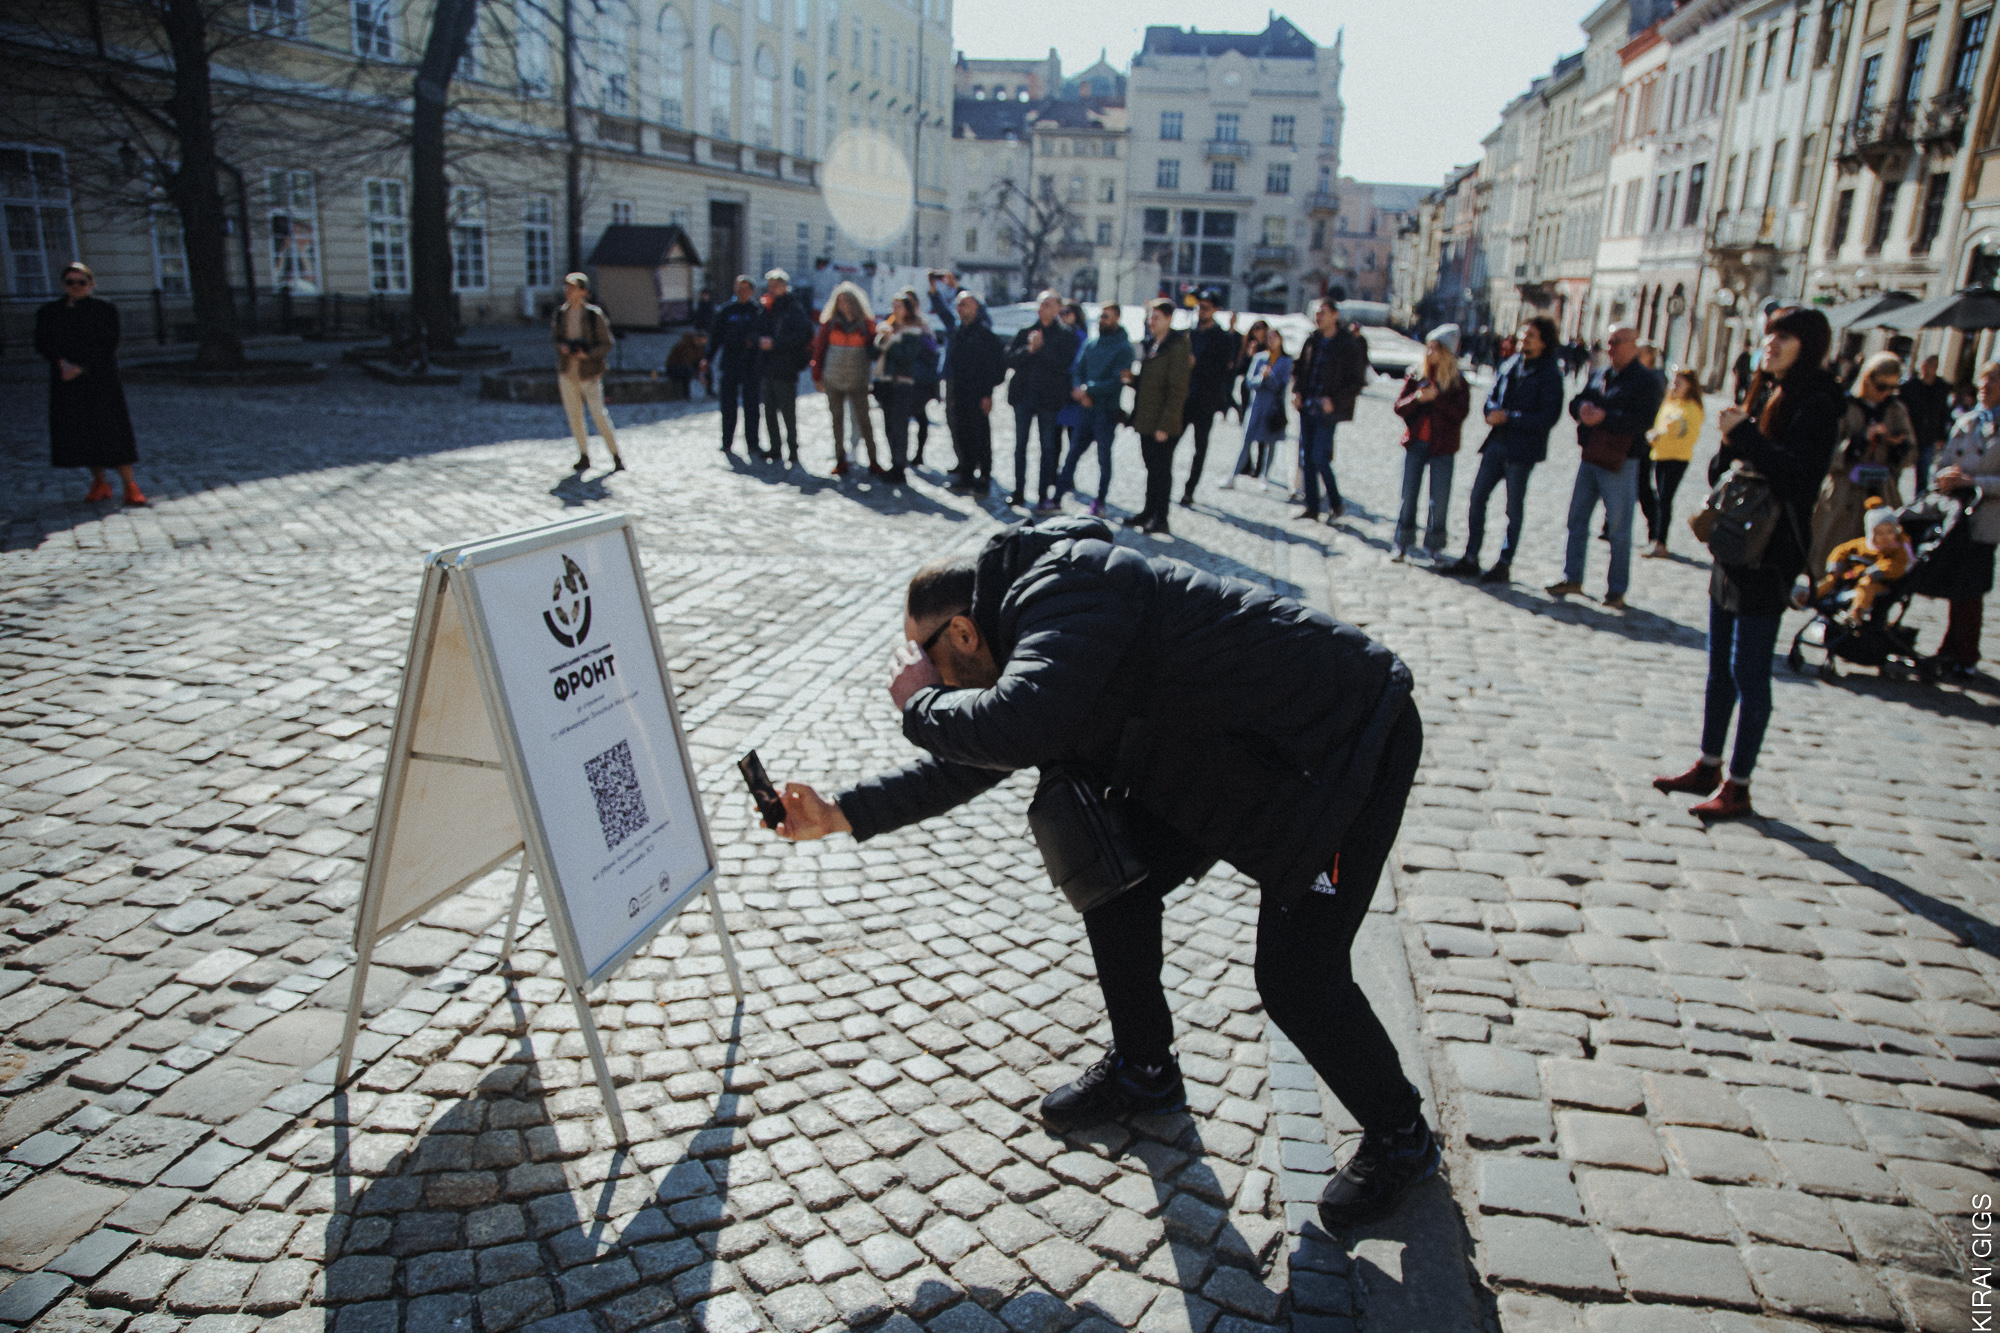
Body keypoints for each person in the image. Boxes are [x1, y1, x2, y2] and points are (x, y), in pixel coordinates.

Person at [766, 515, 1437, 1232]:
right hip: (1227, 757)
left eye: (924, 654)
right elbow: (981, 757)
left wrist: (920, 705)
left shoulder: (1067, 590)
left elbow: (1013, 723)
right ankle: (1144, 1068)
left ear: (962, 632)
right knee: (1111, 871)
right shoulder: (1036, 633)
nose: (921, 670)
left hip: (1340, 744)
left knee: (1297, 978)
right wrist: (841, 812)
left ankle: (1401, 1136)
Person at [1655, 306, 1842, 820]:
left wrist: (1748, 436)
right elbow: (1726, 465)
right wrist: (1731, 440)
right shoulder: (1762, 388)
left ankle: (1739, 784)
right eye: (1769, 335)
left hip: (1772, 552)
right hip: (1735, 543)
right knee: (1718, 666)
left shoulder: (1819, 403)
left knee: (1749, 671)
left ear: (1808, 344)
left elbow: (1798, 480)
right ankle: (1709, 764)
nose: (1771, 344)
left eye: (1783, 336)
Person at [1546, 324, 1664, 610]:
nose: (1610, 349)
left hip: (1621, 460)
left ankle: (1616, 589)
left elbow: (1644, 420)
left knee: (1619, 528)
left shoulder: (1646, 381)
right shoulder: (1600, 374)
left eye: (1616, 343)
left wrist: (1605, 417)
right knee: (1577, 518)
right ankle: (1572, 576)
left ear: (1633, 345)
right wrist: (1582, 411)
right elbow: (1577, 401)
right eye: (1607, 343)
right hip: (1591, 454)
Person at [1443, 316, 1564, 584]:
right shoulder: (1510, 364)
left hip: (1522, 450)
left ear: (1544, 342)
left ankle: (1504, 562)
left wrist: (1509, 416)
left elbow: (1548, 417)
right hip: (1497, 443)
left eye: (1530, 335)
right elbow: (1492, 397)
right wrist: (1490, 412)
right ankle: (1471, 556)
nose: (1524, 339)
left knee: (1513, 509)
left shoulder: (1550, 374)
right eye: (1523, 334)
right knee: (1477, 498)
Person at [36, 262, 145, 506]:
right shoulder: (50, 312)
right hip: (67, 380)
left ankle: (129, 484)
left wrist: (82, 367)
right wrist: (62, 362)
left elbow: (107, 343)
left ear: (91, 284)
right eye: (70, 282)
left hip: (100, 379)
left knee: (113, 431)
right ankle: (99, 482)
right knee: (82, 432)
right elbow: (43, 342)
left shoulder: (103, 309)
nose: (76, 286)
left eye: (81, 282)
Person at [1807, 351, 1913, 577]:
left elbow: (1911, 451)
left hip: (1881, 492)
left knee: (1881, 555)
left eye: (1892, 388)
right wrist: (1861, 439)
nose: (1886, 394)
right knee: (1833, 553)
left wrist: (1897, 445)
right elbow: (1825, 451)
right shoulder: (1845, 406)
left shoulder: (1896, 410)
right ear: (1868, 379)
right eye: (1881, 386)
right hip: (1844, 492)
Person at [1926, 359, 2000, 676]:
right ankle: (1950, 647)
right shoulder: (1966, 420)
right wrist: (1945, 475)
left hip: (1984, 518)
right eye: (1984, 379)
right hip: (1954, 515)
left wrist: (1973, 483)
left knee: (1971, 587)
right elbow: (1943, 462)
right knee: (1952, 580)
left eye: (1994, 380)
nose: (1985, 385)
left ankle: (1966, 653)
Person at [1390, 325, 1470, 563]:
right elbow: (1399, 407)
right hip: (1416, 442)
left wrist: (1438, 399)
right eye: (1428, 347)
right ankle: (1402, 542)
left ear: (1446, 352)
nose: (1429, 353)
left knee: (1440, 498)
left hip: (1443, 446)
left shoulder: (1456, 382)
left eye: (1435, 348)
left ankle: (1434, 545)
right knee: (1408, 494)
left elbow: (1460, 413)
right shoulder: (1417, 375)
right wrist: (1417, 399)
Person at [1292, 300, 1371, 523]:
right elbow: (1300, 368)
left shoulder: (1347, 343)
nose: (1318, 318)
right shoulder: (1312, 339)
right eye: (1316, 314)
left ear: (1335, 315)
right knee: (1306, 457)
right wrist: (1297, 391)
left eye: (1323, 313)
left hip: (1328, 410)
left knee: (1319, 457)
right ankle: (1312, 507)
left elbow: (1356, 381)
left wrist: (1335, 401)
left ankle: (1335, 503)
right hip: (1308, 406)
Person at [1006, 290, 1081, 512]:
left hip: (1049, 399)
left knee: (1048, 447)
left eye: (1048, 305)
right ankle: (1018, 491)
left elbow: (1062, 364)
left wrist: (1042, 348)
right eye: (1040, 305)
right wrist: (1029, 351)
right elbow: (1011, 359)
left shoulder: (1067, 336)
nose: (1043, 309)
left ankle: (1042, 494)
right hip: (1024, 396)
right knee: (1020, 445)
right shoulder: (1026, 332)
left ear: (1058, 308)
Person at [1058, 303, 1135, 518]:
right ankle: (1056, 496)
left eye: (1107, 317)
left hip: (1105, 411)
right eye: (1100, 316)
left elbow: (1117, 380)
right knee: (1072, 453)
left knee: (1103, 458)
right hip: (1085, 409)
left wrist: (1088, 390)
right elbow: (1078, 369)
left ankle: (1100, 501)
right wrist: (1080, 390)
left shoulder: (1124, 348)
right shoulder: (1091, 344)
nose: (1102, 320)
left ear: (1117, 319)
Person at [1123, 298, 1192, 535]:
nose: (1151, 322)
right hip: (1146, 418)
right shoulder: (1153, 344)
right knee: (1151, 468)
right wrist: (1132, 380)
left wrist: (1166, 424)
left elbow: (1177, 390)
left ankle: (1161, 517)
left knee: (1161, 470)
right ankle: (1148, 511)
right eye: (1150, 317)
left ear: (1169, 319)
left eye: (1157, 318)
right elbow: (1149, 382)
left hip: (1163, 422)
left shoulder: (1177, 346)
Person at [550, 271, 624, 474]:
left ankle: (615, 455)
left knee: (599, 415)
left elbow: (607, 343)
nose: (569, 291)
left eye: (573, 287)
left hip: (589, 372)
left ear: (583, 291)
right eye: (567, 287)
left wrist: (589, 353)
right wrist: (563, 348)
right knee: (575, 416)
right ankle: (583, 455)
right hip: (568, 372)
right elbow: (555, 339)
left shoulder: (593, 315)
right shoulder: (561, 314)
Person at [810, 282, 879, 478]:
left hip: (858, 379)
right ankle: (840, 459)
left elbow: (874, 350)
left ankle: (873, 459)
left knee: (864, 420)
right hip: (833, 378)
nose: (843, 304)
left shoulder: (865, 325)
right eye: (840, 301)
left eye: (847, 300)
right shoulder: (830, 323)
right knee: (837, 420)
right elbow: (820, 349)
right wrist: (817, 375)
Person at [942, 291, 1007, 496]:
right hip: (959, 391)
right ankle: (967, 474)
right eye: (959, 305)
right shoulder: (958, 333)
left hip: (979, 393)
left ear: (976, 308)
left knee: (980, 436)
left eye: (966, 305)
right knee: (963, 434)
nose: (961, 309)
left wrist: (987, 394)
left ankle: (984, 476)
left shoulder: (986, 335)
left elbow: (996, 368)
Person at [1181, 291, 1241, 506]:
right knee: (1168, 443)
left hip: (1205, 399)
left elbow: (1222, 370)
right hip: (1184, 398)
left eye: (1205, 307)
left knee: (1200, 447)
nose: (1201, 311)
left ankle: (1190, 489)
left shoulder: (1223, 338)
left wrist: (1197, 365)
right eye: (1199, 307)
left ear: (1215, 310)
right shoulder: (1190, 333)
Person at [873, 290, 938, 486]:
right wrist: (882, 339)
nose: (895, 310)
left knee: (900, 425)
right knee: (888, 426)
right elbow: (874, 352)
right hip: (885, 381)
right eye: (893, 306)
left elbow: (906, 356)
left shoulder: (914, 330)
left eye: (899, 306)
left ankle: (900, 465)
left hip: (903, 382)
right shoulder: (887, 327)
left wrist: (891, 339)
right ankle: (894, 461)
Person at [1816, 498, 1912, 624]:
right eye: (1880, 533)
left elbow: (1896, 565)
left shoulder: (1897, 549)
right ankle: (1812, 596)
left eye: (1890, 532)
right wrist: (1836, 565)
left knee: (1865, 585)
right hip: (1852, 577)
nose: (1885, 537)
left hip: (1880, 582)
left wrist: (1877, 571)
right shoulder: (1863, 544)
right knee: (1831, 580)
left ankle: (1857, 611)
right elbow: (1841, 550)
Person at [1641, 370, 1704, 559]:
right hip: (1660, 454)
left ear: (1690, 386)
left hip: (1677, 458)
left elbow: (1688, 435)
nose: (1674, 387)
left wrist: (1666, 433)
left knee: (1665, 500)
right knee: (1660, 497)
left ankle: (1661, 543)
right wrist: (1654, 435)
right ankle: (1655, 537)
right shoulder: (1669, 403)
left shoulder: (1693, 408)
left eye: (1679, 383)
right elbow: (1659, 424)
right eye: (1674, 383)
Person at [702, 275, 767, 459]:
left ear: (752, 292)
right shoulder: (726, 311)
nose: (741, 292)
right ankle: (727, 441)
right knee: (728, 405)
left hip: (750, 364)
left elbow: (763, 334)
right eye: (738, 288)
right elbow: (716, 337)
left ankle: (753, 444)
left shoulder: (758, 311)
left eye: (745, 289)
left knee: (752, 406)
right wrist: (708, 358)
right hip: (730, 363)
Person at [757, 269, 815, 468]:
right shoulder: (766, 307)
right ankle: (775, 447)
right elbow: (757, 330)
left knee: (788, 413)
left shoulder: (794, 308)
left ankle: (793, 449)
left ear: (784, 286)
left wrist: (776, 343)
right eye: (769, 285)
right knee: (770, 411)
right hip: (767, 367)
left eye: (775, 285)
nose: (771, 289)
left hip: (786, 367)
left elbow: (803, 336)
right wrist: (760, 341)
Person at [1228, 330, 1291, 489]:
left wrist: (1269, 377)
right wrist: (1261, 378)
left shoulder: (1286, 361)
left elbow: (1281, 386)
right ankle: (1233, 475)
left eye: (1274, 338)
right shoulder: (1259, 357)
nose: (1271, 341)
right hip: (1256, 406)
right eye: (1269, 338)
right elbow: (1249, 382)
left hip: (1274, 408)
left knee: (1271, 443)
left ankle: (1265, 475)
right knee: (1247, 440)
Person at [1901, 356, 1954, 497]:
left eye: (1934, 365)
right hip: (1909, 434)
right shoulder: (1909, 387)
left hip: (1929, 436)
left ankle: (1919, 503)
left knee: (1923, 473)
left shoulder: (1941, 388)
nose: (1930, 368)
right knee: (1897, 469)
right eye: (1928, 365)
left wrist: (1942, 436)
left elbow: (1944, 412)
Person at [1232, 319, 1269, 424]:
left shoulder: (1269, 347)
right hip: (1248, 385)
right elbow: (1241, 369)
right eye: (1254, 328)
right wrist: (1249, 355)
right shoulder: (1250, 345)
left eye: (1259, 328)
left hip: (1263, 386)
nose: (1256, 331)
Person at [664, 329, 707, 399]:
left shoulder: (699, 347)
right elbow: (686, 361)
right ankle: (685, 394)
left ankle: (708, 392)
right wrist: (697, 375)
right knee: (688, 371)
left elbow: (699, 360)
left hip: (685, 366)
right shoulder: (685, 345)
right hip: (674, 367)